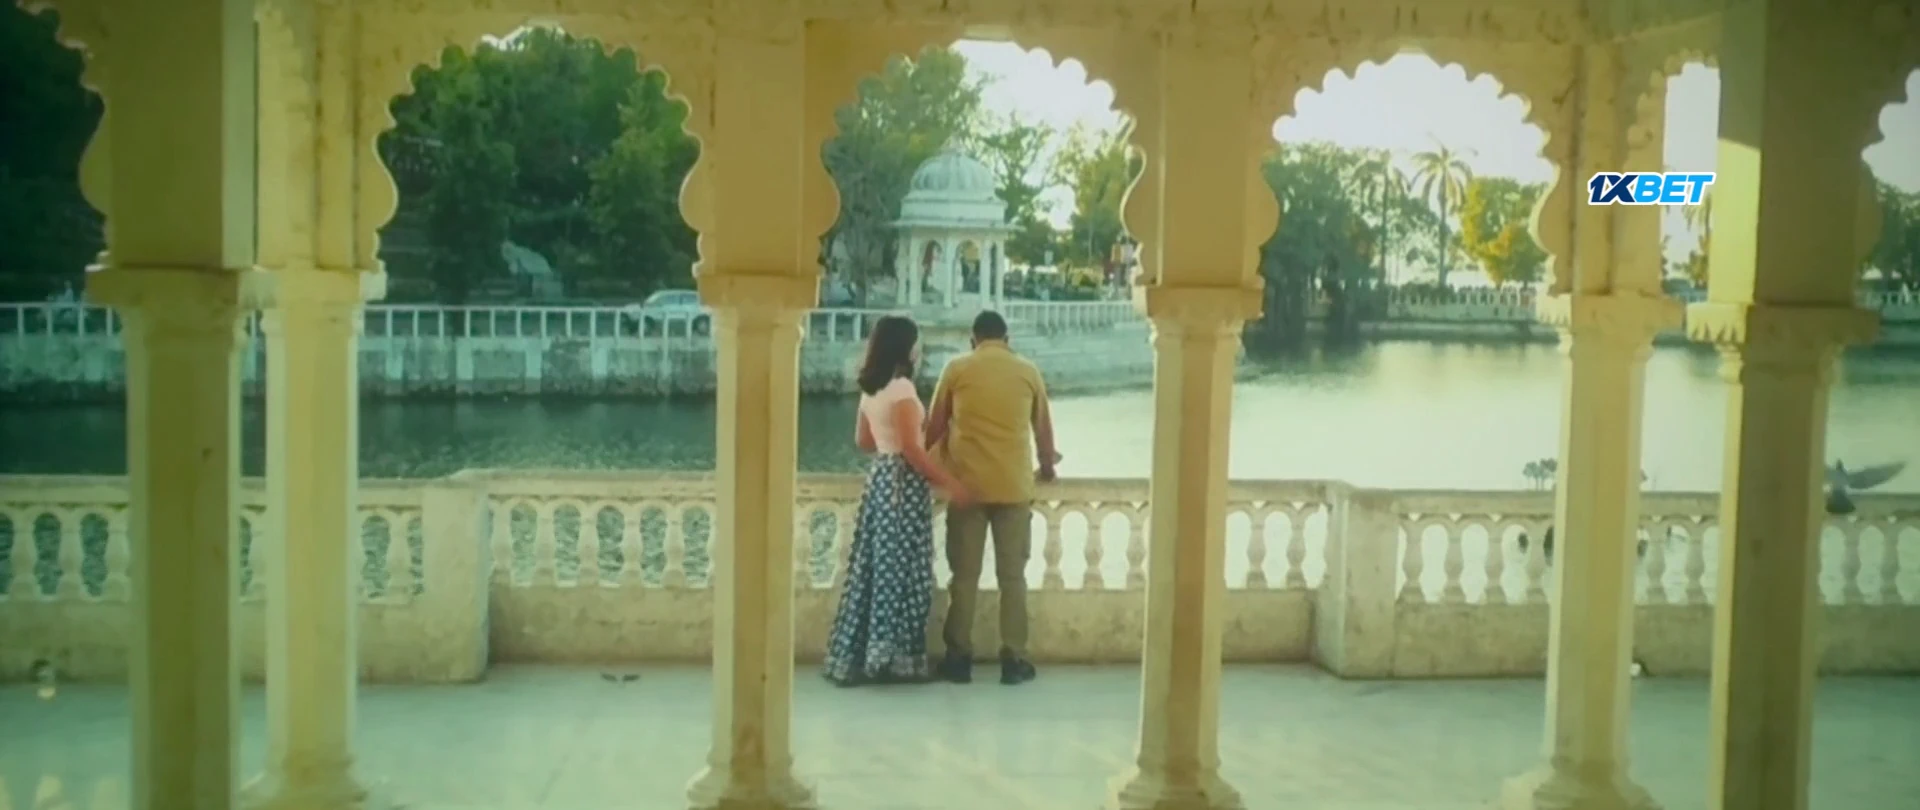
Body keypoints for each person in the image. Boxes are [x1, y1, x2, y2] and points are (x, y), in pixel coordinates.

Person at [822, 316, 973, 687]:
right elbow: (912, 451)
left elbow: (864, 441)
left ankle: (862, 655)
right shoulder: (903, 389)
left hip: (880, 478)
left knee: (875, 568)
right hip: (901, 485)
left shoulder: (871, 388)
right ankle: (894, 659)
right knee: (903, 572)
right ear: (905, 347)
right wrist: (951, 483)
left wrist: (889, 439)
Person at [925, 310, 1060, 685]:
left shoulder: (957, 369)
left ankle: (958, 659)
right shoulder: (1028, 371)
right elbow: (1043, 431)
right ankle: (1014, 660)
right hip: (1013, 488)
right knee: (1013, 578)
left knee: (964, 577)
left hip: (967, 488)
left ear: (973, 340)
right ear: (1007, 339)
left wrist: (925, 468)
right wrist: (1047, 468)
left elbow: (933, 427)